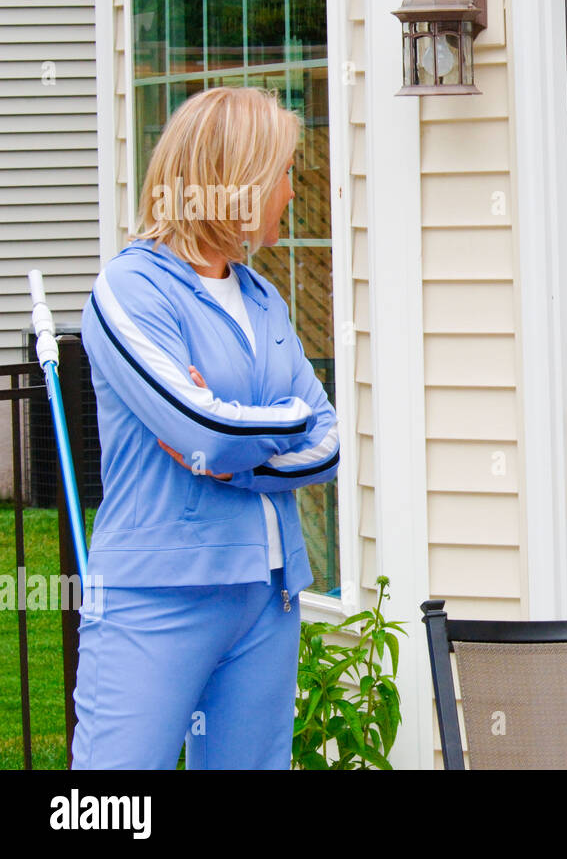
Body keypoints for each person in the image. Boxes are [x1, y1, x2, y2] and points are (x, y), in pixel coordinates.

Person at [72, 86, 340, 769]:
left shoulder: (262, 297)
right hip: (158, 595)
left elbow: (327, 440)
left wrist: (227, 444)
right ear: (236, 182)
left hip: (267, 595)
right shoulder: (129, 293)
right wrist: (234, 433)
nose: (291, 188)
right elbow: (211, 430)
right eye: (282, 171)